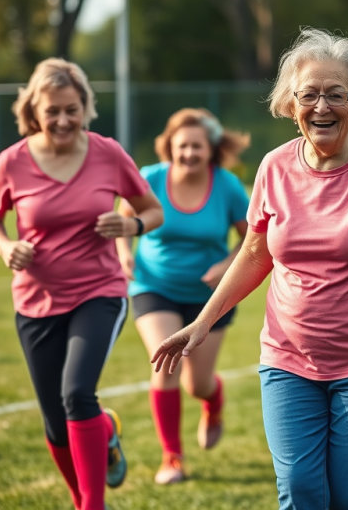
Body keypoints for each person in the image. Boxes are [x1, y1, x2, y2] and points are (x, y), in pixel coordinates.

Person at [151, 28, 348, 510]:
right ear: (290, 104)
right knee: (302, 492)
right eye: (309, 95)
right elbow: (256, 253)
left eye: (336, 94)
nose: (321, 106)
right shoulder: (273, 168)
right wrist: (203, 321)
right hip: (288, 359)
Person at [0, 58, 163, 510]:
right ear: (34, 112)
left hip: (99, 292)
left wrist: (130, 228)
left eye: (71, 109)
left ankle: (90, 506)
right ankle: (104, 437)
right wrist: (5, 248)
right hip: (35, 301)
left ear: (85, 108)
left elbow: (153, 211)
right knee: (57, 422)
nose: (62, 119)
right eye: (52, 110)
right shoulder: (13, 162)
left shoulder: (108, 153)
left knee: (76, 392)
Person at [115, 108, 250, 484]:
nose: (188, 153)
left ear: (211, 149)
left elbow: (250, 239)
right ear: (169, 147)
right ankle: (171, 457)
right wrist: (125, 251)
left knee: (197, 384)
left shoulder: (226, 186)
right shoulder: (150, 178)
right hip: (153, 287)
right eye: (181, 146)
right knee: (165, 366)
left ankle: (213, 402)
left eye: (196, 146)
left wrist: (227, 263)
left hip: (210, 299)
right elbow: (126, 220)